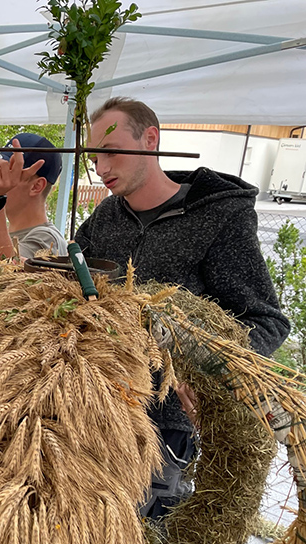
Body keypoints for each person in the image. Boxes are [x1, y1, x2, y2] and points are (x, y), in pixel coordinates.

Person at [74, 97, 290, 519]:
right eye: (95, 156)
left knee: (136, 539)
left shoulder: (216, 218)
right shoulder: (105, 217)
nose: (101, 169)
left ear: (150, 139)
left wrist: (210, 370)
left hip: (164, 424)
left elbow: (266, 321)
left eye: (112, 152)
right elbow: (68, 278)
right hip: (98, 408)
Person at [0, 132, 68, 259]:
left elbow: (1, 271)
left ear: (36, 186)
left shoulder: (46, 239)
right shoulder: (9, 235)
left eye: (8, 172)